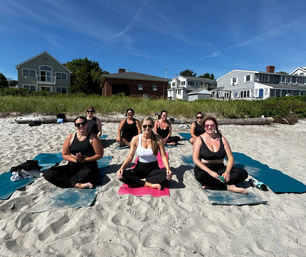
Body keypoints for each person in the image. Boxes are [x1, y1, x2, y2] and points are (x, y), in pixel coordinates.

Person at [43, 116, 104, 189]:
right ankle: (76, 185)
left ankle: (72, 182)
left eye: (83, 123)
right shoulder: (70, 137)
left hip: (88, 165)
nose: (81, 126)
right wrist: (76, 159)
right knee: (48, 173)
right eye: (78, 124)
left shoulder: (93, 137)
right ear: (75, 126)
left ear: (86, 124)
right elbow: (65, 155)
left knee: (86, 176)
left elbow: (99, 154)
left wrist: (84, 160)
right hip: (73, 165)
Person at [193, 115, 248, 194]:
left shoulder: (222, 138)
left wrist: (227, 172)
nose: (209, 127)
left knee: (243, 173)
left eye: (212, 125)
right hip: (205, 169)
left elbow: (230, 158)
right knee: (201, 177)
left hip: (220, 168)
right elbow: (195, 160)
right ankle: (228, 187)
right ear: (204, 127)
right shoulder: (199, 139)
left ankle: (214, 184)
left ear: (215, 126)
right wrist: (210, 172)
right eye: (207, 125)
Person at [117, 116, 172, 190]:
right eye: (145, 126)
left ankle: (139, 182)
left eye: (149, 126)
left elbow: (163, 156)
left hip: (153, 168)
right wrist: (122, 167)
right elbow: (130, 156)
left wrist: (168, 168)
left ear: (152, 126)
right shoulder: (135, 139)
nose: (147, 128)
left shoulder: (158, 139)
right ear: (141, 126)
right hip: (140, 168)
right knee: (121, 175)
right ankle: (148, 184)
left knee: (166, 176)